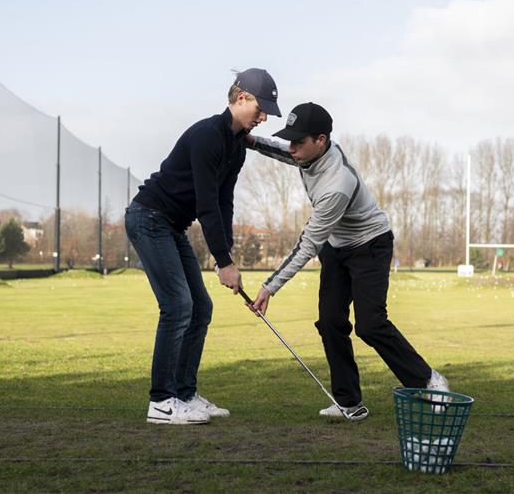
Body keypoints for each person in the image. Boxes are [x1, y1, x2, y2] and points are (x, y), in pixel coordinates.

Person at [245, 102, 448, 421]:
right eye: (291, 140)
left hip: (370, 245)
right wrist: (250, 140)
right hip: (337, 247)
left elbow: (307, 245)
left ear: (321, 140)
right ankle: (348, 401)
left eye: (299, 141)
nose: (292, 148)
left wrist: (270, 287)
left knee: (370, 324)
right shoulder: (308, 154)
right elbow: (286, 153)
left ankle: (428, 381)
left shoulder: (336, 184)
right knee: (330, 322)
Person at [125, 68, 281, 425]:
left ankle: (184, 394)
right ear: (240, 97)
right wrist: (223, 262)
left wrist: (226, 254)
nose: (263, 117)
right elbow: (207, 204)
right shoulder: (208, 135)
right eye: (260, 109)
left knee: (201, 308)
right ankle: (161, 402)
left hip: (172, 226)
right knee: (178, 306)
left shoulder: (236, 148)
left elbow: (224, 204)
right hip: (149, 218)